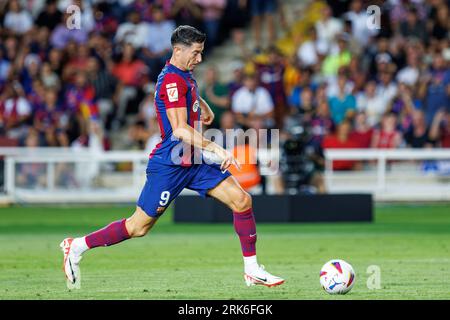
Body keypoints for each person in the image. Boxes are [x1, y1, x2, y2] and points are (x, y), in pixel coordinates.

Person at [60, 25, 284, 289]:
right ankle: (76, 246)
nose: (200, 58)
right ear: (178, 50)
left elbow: (188, 95)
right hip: (171, 162)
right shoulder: (172, 79)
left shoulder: (184, 74)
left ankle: (252, 270)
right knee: (138, 227)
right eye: (196, 53)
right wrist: (217, 148)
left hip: (193, 159)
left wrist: (204, 107)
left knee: (241, 199)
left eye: (202, 52)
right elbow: (179, 129)